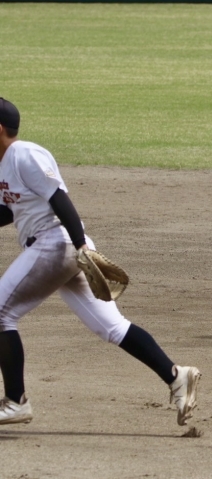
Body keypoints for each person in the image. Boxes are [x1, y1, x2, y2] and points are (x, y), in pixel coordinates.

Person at [0, 97, 201, 425]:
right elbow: (9, 211)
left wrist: (81, 245)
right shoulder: (3, 164)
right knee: (112, 327)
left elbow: (58, 198)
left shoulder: (24, 154)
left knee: (1, 312)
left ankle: (15, 400)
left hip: (56, 244)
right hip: (60, 249)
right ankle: (177, 376)